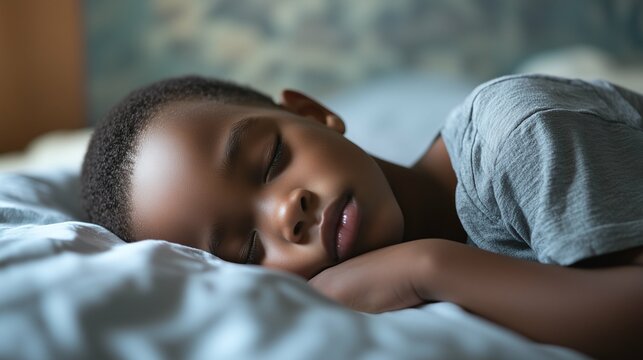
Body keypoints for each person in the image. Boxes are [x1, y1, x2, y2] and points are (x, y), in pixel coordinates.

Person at [81, 74, 643, 359]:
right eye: (248, 252)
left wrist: (428, 267)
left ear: (312, 113)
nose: (288, 213)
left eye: (270, 159)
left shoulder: (521, 134)